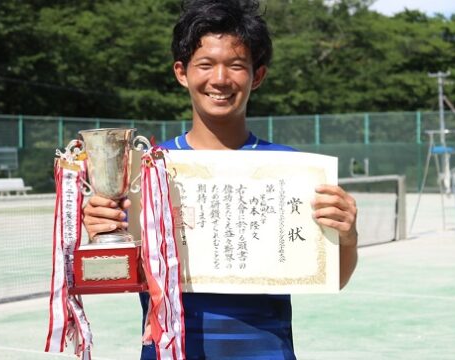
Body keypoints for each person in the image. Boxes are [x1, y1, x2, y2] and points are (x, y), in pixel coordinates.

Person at [83, 0, 358, 358]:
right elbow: (119, 277)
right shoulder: (147, 171)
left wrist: (348, 236)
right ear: (182, 72)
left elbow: (333, 278)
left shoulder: (292, 169)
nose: (220, 79)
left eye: (236, 65)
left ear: (257, 76)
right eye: (206, 64)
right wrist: (104, 234)